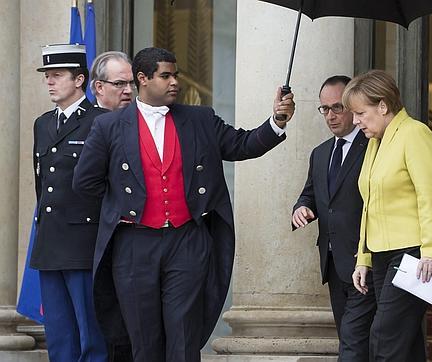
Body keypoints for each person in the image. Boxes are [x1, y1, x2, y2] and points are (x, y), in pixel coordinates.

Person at [72, 47, 295, 362]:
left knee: (185, 337)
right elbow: (84, 182)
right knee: (145, 342)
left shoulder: (199, 118)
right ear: (142, 79)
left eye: (175, 74)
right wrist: (127, 204)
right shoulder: (110, 127)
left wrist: (276, 121)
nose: (174, 81)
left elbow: (242, 144)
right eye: (166, 75)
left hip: (187, 240)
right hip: (134, 244)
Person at [347, 69, 432, 361]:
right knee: (406, 342)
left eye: (360, 113)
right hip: (382, 252)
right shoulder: (374, 142)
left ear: (383, 106)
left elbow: (430, 195)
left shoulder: (415, 133)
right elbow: (368, 204)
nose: (355, 121)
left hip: (415, 253)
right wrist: (363, 257)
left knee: (385, 336)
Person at [31, 43, 108, 362]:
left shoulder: (100, 121)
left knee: (90, 332)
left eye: (57, 75)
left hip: (83, 242)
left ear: (79, 80)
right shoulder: (42, 123)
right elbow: (42, 185)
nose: (50, 81)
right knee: (59, 332)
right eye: (47, 76)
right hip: (50, 241)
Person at [292, 75, 376, 361]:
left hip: (365, 261)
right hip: (331, 261)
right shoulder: (320, 153)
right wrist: (301, 208)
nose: (330, 115)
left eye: (337, 107)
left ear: (354, 105)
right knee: (350, 338)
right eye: (324, 109)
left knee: (353, 344)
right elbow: (310, 195)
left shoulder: (373, 146)